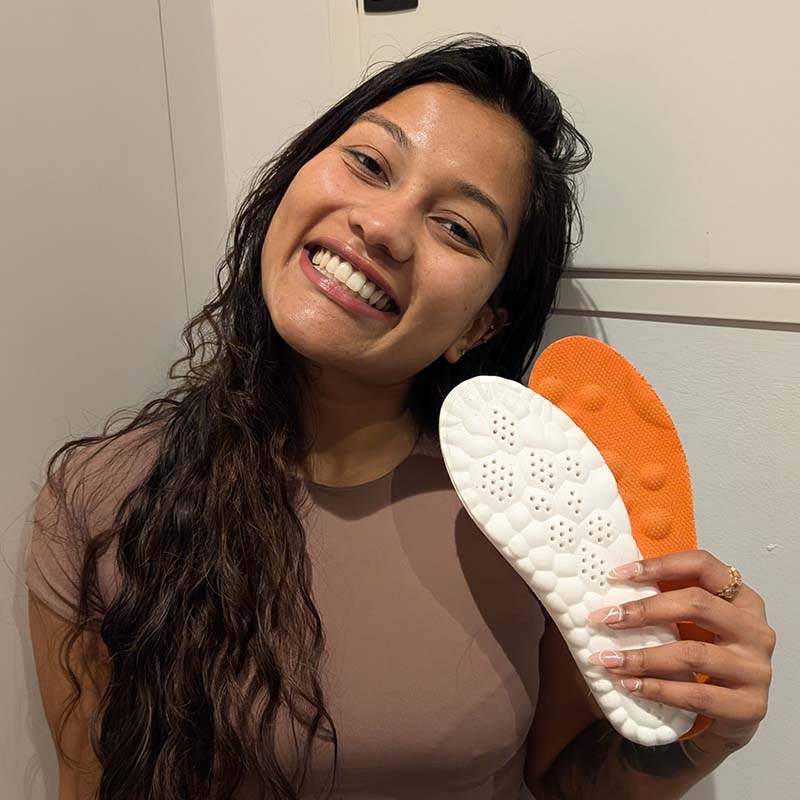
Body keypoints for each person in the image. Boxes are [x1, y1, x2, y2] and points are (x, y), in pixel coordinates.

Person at [25, 34, 775, 800]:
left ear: (478, 326)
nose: (382, 227)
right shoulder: (100, 501)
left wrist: (704, 736)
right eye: (370, 163)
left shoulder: (534, 508)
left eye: (457, 228)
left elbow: (563, 785)